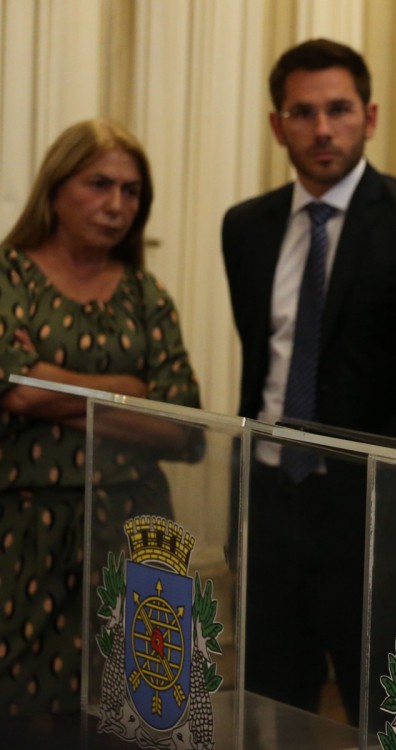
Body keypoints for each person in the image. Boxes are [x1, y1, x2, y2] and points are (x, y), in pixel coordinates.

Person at [222, 38, 396, 722]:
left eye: (338, 109)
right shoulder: (246, 228)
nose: (321, 129)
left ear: (369, 117)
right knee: (269, 705)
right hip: (271, 507)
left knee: (387, 711)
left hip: (379, 518)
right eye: (302, 113)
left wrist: (392, 475)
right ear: (278, 124)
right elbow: (265, 366)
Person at [0, 119, 201, 717]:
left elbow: (183, 425)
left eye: (131, 191)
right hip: (24, 531)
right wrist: (128, 391)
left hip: (136, 531)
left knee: (140, 713)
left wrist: (50, 388)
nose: (116, 205)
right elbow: (15, 392)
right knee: (23, 712)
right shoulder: (10, 277)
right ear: (56, 189)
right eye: (99, 184)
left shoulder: (146, 294)